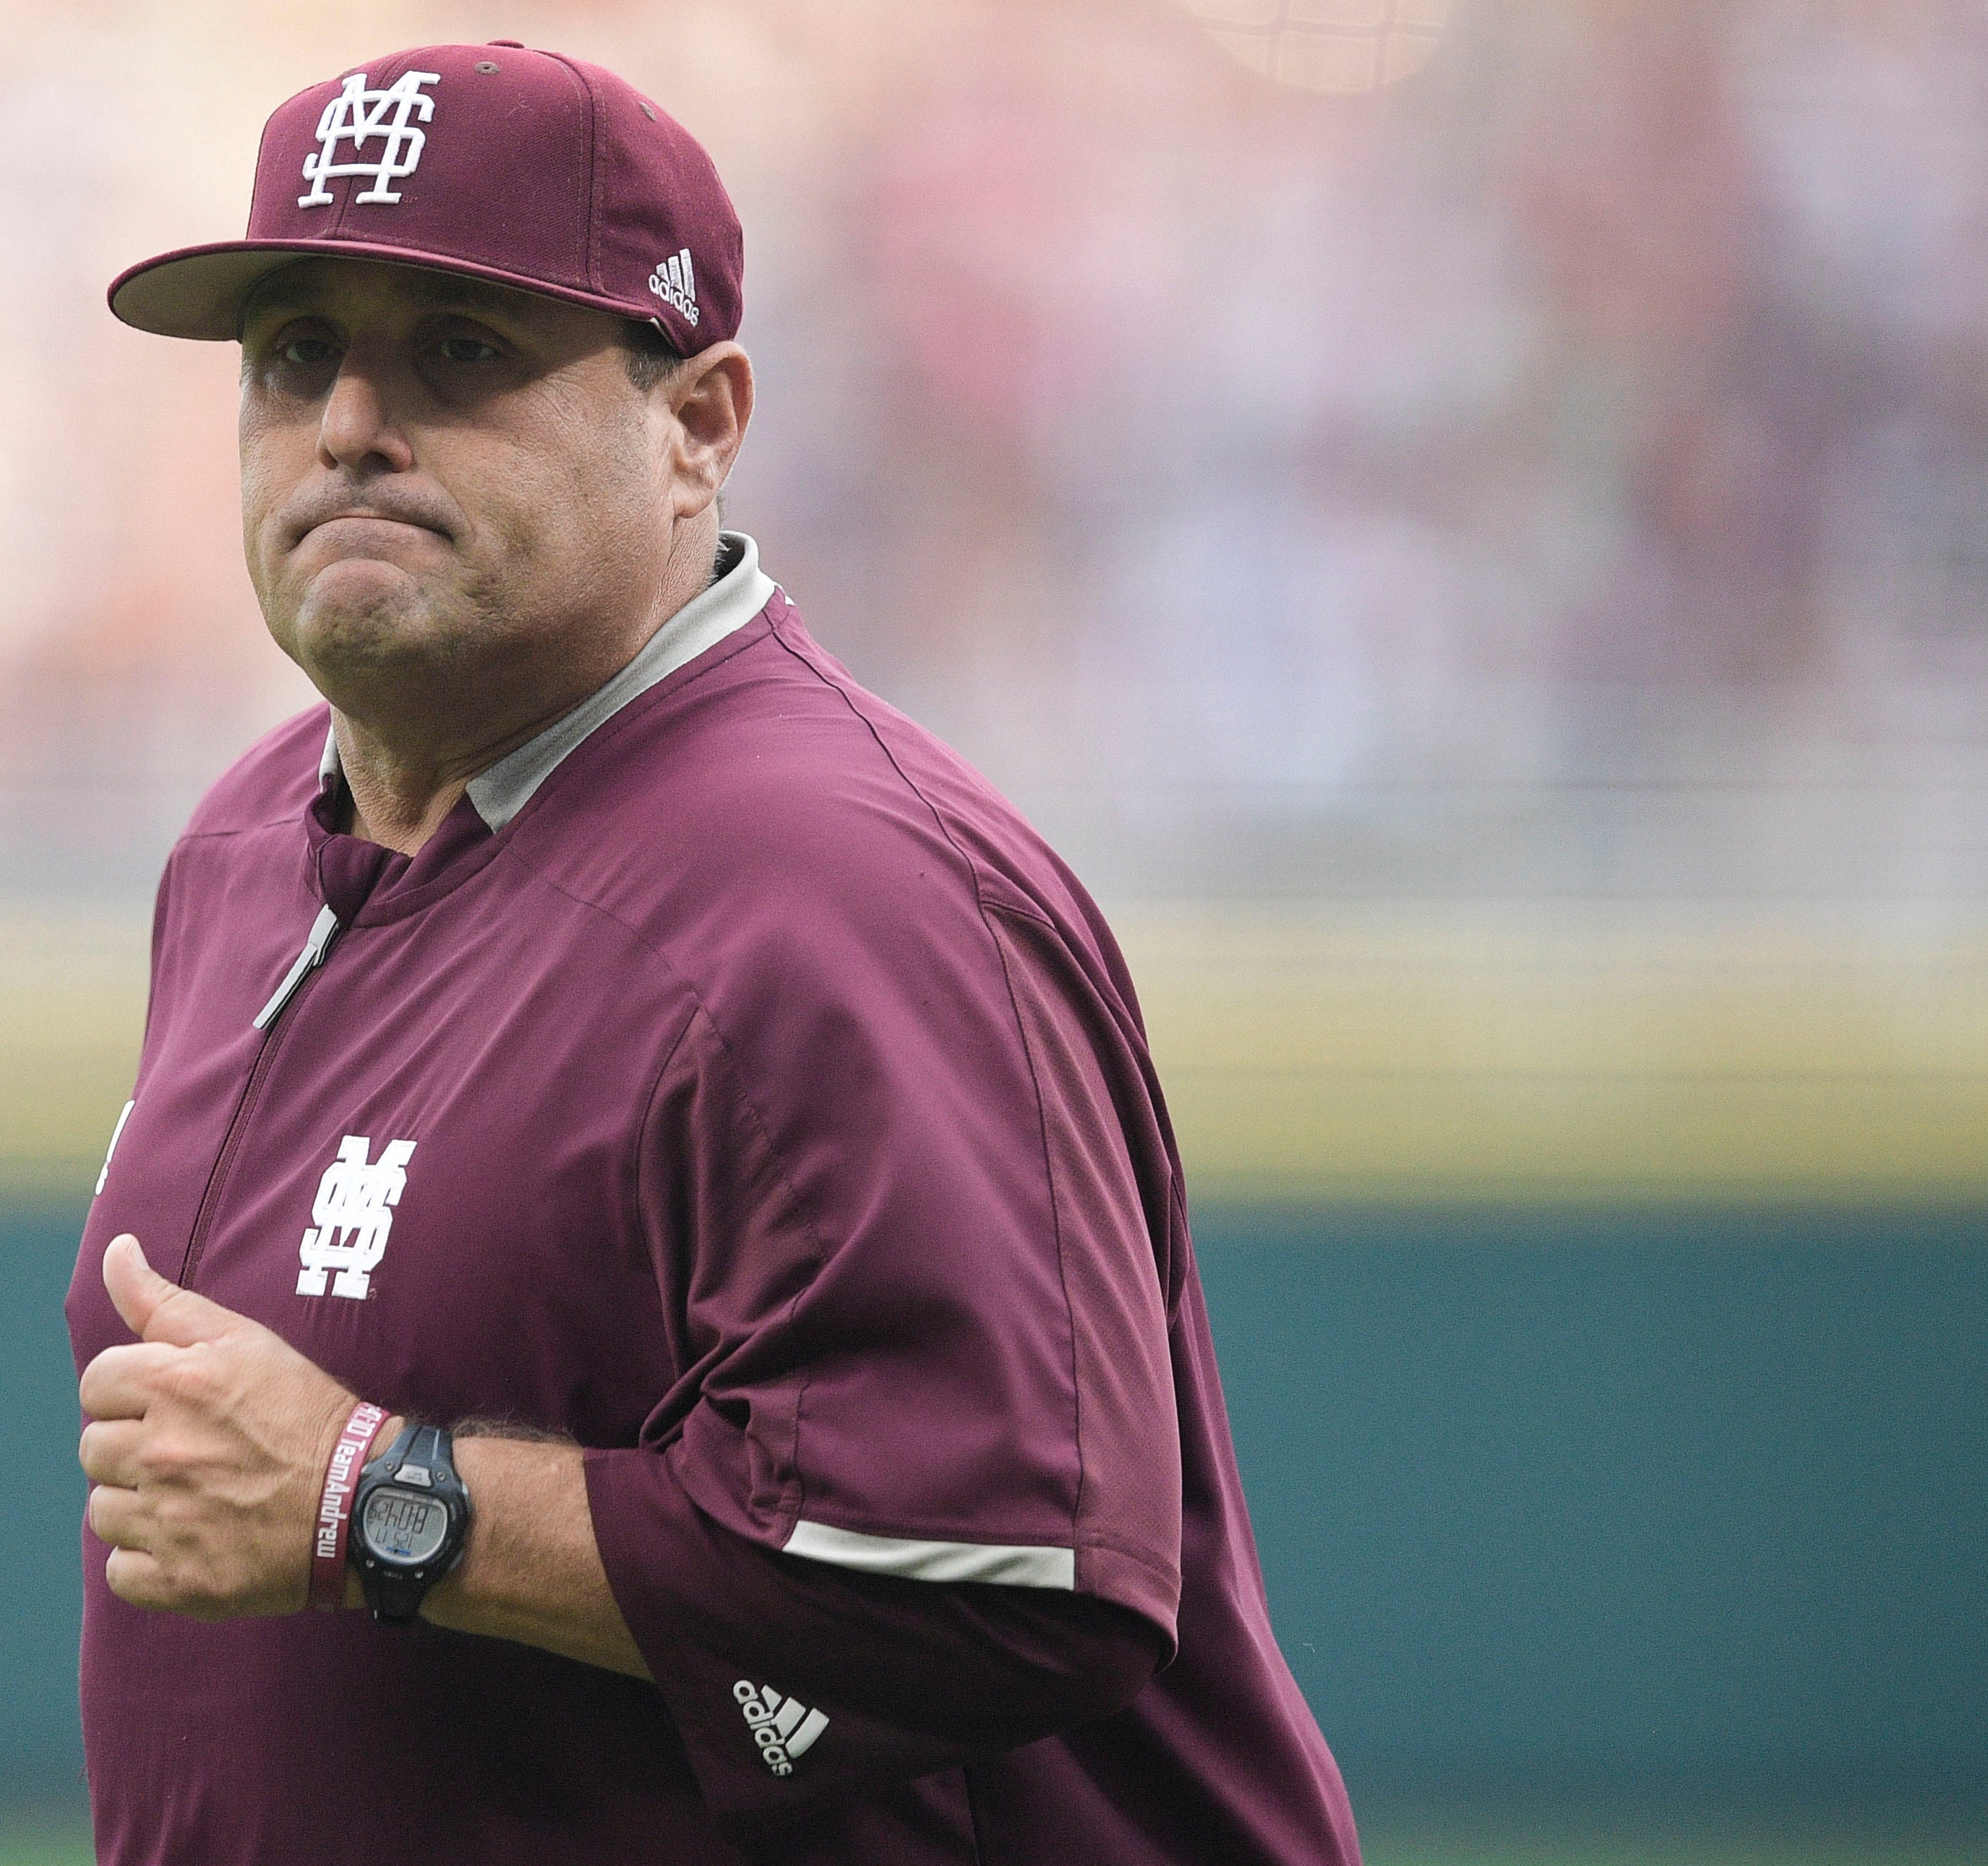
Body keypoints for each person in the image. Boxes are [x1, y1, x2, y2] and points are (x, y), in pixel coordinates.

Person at [69, 39, 1361, 1865]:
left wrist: (375, 1496)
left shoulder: (847, 889)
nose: (351, 419)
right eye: (296, 354)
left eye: (461, 348)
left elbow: (1009, 1571)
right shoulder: (237, 849)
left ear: (698, 424)